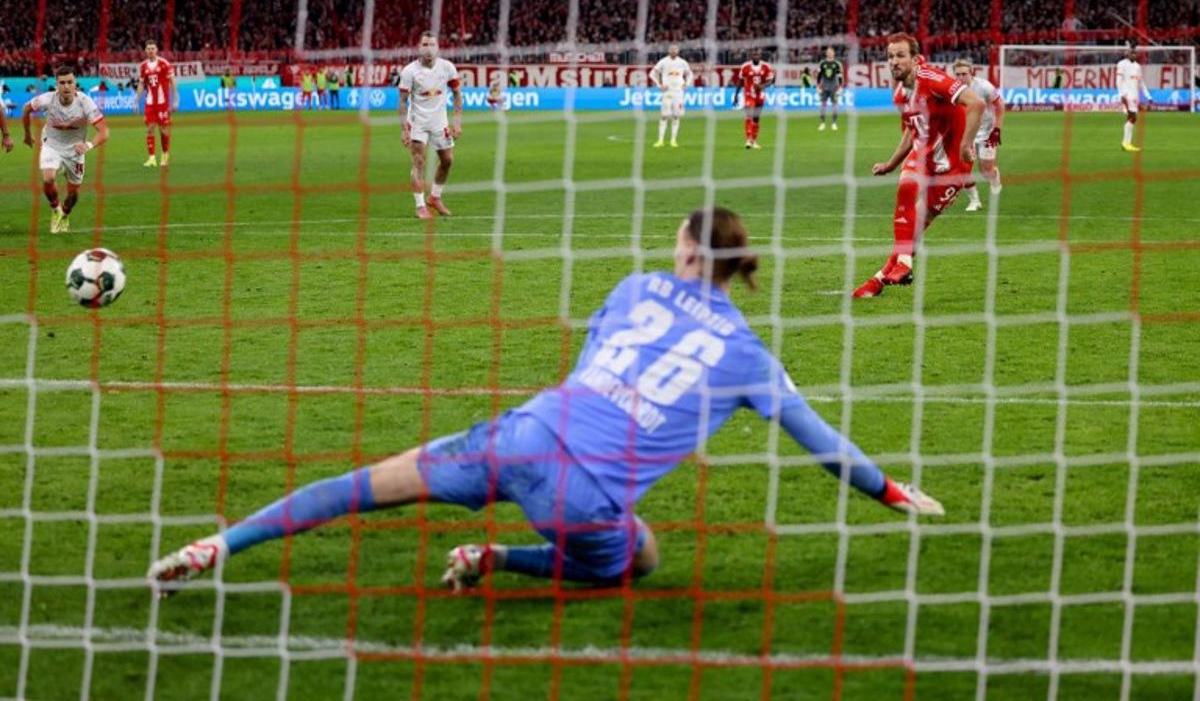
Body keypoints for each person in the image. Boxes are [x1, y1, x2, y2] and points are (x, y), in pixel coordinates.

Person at [147, 207, 944, 597]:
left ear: (692, 253)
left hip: (525, 432)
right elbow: (821, 441)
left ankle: (218, 546)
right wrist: (892, 490)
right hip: (584, 493)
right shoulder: (750, 357)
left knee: (360, 490)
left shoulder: (635, 287)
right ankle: (499, 559)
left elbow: (596, 361)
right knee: (640, 559)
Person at [853, 33, 985, 298]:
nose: (894, 61)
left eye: (900, 55)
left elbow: (976, 103)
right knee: (905, 188)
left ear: (915, 59)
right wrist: (891, 163)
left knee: (913, 231)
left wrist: (966, 145)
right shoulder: (900, 94)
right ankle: (903, 265)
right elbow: (913, 131)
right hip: (923, 154)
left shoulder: (931, 79)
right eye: (890, 56)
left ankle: (879, 280)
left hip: (953, 166)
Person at [22, 65, 110, 234]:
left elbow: (104, 131)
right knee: (48, 179)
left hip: (75, 151)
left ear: (75, 83)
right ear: (57, 85)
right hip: (51, 145)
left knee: (73, 194)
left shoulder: (85, 102)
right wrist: (27, 134)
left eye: (70, 82)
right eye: (62, 83)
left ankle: (65, 214)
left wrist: (88, 145)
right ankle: (55, 210)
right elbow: (26, 108)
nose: (66, 86)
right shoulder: (48, 99)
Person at [399, 30, 462, 220]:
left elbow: (457, 94)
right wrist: (404, 129)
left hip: (439, 121)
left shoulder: (447, 67)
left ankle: (434, 197)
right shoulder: (410, 71)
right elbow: (402, 101)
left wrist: (457, 122)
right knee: (419, 161)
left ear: (438, 47)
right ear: (419, 48)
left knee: (448, 160)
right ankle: (420, 206)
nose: (428, 49)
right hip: (418, 121)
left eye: (432, 45)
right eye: (425, 45)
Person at [951, 58, 1004, 211]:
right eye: (957, 74)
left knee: (986, 170)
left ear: (971, 72)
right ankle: (974, 200)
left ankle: (994, 178)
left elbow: (1000, 105)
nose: (960, 78)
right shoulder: (952, 88)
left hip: (987, 131)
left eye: (964, 74)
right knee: (963, 168)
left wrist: (997, 129)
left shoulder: (984, 87)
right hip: (966, 132)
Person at [136, 40, 177, 168]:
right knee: (150, 129)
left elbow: (172, 81)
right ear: (145, 50)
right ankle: (152, 158)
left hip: (162, 103)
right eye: (148, 49)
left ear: (156, 49)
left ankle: (165, 155)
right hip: (150, 103)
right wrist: (136, 101)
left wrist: (175, 99)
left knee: (164, 130)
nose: (150, 51)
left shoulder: (164, 64)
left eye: (152, 48)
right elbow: (142, 84)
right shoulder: (143, 66)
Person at [650, 44, 694, 148]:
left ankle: (673, 140)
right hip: (667, 92)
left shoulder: (682, 62)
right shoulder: (663, 61)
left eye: (675, 49)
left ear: (678, 51)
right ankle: (660, 140)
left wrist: (686, 84)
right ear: (669, 51)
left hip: (678, 92)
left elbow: (690, 74)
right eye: (672, 49)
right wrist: (659, 85)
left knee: (676, 116)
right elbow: (652, 73)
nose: (674, 51)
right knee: (664, 116)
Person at [731, 49, 773, 149]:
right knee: (749, 114)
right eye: (754, 55)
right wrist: (736, 95)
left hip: (760, 95)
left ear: (760, 56)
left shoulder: (766, 66)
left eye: (757, 55)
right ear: (751, 56)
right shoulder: (745, 67)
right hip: (749, 94)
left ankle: (754, 140)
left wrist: (762, 86)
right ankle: (748, 140)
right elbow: (740, 81)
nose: (756, 56)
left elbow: (770, 80)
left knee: (756, 118)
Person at [1116, 45, 1149, 152]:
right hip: (1126, 95)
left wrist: (1148, 95)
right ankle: (1126, 143)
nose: (1134, 55)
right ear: (1127, 54)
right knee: (1133, 117)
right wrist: (1121, 94)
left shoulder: (1137, 66)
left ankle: (1126, 143)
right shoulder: (1121, 64)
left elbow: (1141, 83)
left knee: (1131, 118)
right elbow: (1118, 81)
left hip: (1134, 96)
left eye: (1135, 53)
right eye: (1131, 53)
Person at [816, 46, 844, 131]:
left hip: (834, 87)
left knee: (834, 104)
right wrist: (818, 86)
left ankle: (834, 123)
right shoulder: (822, 63)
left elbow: (840, 76)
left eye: (831, 51)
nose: (829, 53)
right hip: (824, 86)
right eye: (828, 51)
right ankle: (822, 123)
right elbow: (819, 75)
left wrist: (840, 87)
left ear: (834, 53)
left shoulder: (837, 64)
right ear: (826, 53)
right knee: (823, 104)